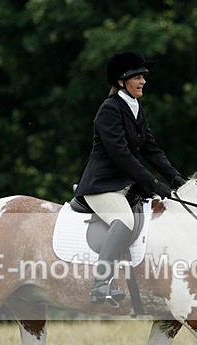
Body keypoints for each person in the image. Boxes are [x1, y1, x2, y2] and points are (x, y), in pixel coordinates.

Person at [74, 51, 186, 305]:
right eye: (137, 77)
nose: (143, 81)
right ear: (121, 81)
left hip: (124, 186)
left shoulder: (135, 108)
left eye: (143, 76)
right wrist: (154, 183)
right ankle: (100, 284)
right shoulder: (109, 110)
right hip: (102, 186)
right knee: (124, 220)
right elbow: (121, 155)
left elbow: (151, 149)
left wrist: (176, 179)